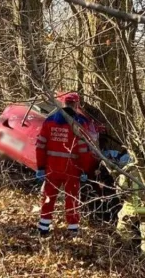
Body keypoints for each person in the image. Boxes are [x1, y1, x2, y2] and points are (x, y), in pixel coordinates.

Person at [35, 92, 91, 236]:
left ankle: (43, 228)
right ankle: (73, 230)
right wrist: (86, 169)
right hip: (72, 169)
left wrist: (41, 167)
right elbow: (83, 150)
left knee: (48, 197)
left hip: (52, 168)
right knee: (71, 199)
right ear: (77, 105)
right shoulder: (79, 123)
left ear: (63, 103)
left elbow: (40, 145)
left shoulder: (50, 120)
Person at [115, 154, 145, 254]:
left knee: (122, 230)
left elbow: (121, 190)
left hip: (133, 207)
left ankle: (123, 255)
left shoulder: (129, 169)